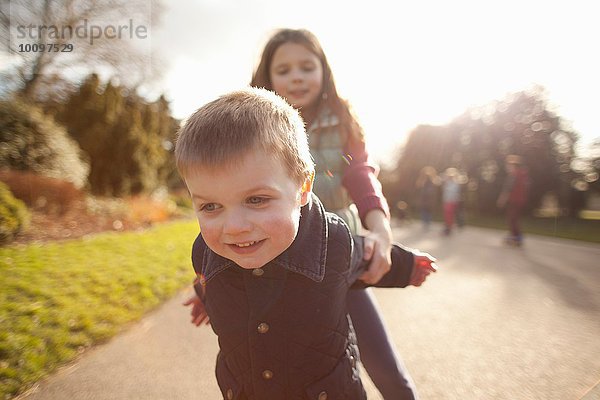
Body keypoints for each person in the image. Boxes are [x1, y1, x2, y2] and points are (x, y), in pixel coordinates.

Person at [175, 88, 438, 399]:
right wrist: (202, 293)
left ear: (302, 188)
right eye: (210, 207)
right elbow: (212, 277)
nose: (234, 228)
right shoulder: (204, 250)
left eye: (256, 200)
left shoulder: (331, 242)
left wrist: (406, 267)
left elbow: (364, 257)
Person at [250, 28, 435, 399]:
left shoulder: (343, 118)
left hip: (341, 257)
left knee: (390, 375)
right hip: (281, 264)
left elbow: (360, 175)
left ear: (324, 71)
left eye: (306, 66)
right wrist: (207, 283)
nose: (297, 76)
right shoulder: (254, 125)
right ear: (267, 78)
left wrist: (380, 229)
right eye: (284, 70)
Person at [496, 154, 530, 246]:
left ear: (513, 165)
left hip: (514, 200)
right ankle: (516, 236)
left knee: (511, 218)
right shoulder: (523, 174)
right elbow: (526, 187)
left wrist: (502, 199)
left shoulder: (513, 175)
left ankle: (516, 237)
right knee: (514, 218)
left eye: (508, 165)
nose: (507, 167)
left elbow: (508, 188)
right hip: (520, 200)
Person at [441, 167, 461, 235]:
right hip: (447, 201)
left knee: (450, 215)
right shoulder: (447, 183)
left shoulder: (455, 184)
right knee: (447, 215)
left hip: (452, 201)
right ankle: (448, 227)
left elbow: (453, 193)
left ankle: (449, 228)